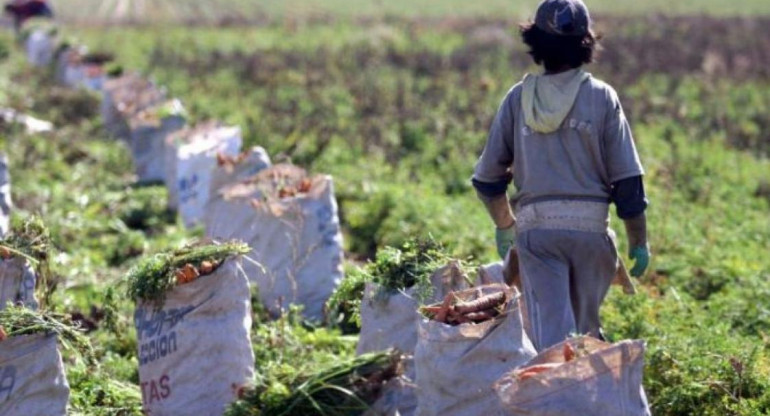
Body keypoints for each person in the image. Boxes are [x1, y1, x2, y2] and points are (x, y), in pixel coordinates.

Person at [472, 0, 650, 351]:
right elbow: (628, 184)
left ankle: (556, 397)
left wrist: (505, 225)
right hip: (591, 236)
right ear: (586, 43)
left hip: (538, 236)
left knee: (552, 339)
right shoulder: (602, 98)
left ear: (535, 43)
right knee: (583, 334)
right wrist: (639, 242)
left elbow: (488, 179)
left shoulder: (517, 99)